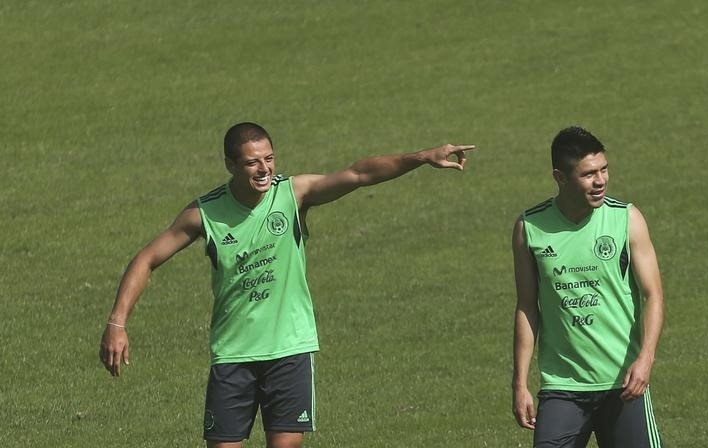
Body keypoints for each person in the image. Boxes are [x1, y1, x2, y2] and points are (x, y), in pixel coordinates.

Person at [99, 122, 474, 448]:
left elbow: (360, 174)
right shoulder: (205, 213)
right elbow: (146, 258)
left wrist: (422, 157)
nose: (264, 169)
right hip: (233, 355)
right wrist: (118, 322)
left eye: (269, 159)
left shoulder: (293, 194)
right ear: (231, 165)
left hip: (289, 350)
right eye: (252, 162)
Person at [511, 126, 665, 447]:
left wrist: (645, 359)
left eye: (604, 170)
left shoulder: (626, 219)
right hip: (562, 387)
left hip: (623, 383)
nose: (601, 181)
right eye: (588, 174)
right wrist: (520, 383)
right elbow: (527, 306)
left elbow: (653, 295)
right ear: (561, 178)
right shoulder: (530, 229)